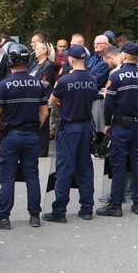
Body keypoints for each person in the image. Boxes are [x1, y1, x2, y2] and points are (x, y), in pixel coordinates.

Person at [0, 43, 47, 229]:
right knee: (32, 176)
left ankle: (3, 217)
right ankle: (35, 215)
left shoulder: (4, 85)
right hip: (31, 135)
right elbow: (44, 112)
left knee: (7, 177)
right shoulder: (37, 83)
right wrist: (35, 126)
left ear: (9, 61)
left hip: (11, 136)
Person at [96, 41, 138, 217]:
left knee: (118, 164)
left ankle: (116, 203)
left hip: (121, 124)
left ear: (125, 56)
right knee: (137, 163)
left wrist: (107, 123)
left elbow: (109, 103)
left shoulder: (117, 76)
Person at [43, 45, 97, 222]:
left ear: (71, 60)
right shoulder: (92, 79)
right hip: (86, 127)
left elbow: (51, 101)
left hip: (70, 127)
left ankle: (59, 210)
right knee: (85, 168)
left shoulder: (65, 80)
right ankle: (87, 208)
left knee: (65, 168)